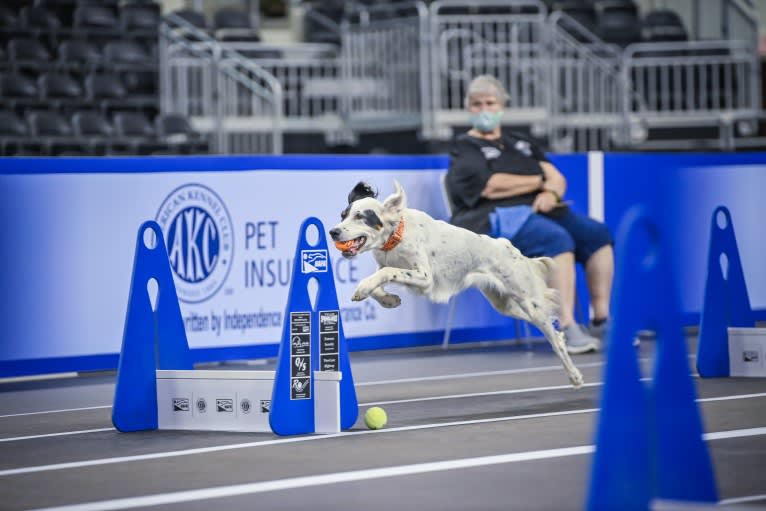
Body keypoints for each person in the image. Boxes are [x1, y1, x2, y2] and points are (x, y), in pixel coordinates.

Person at [445, 75, 613, 354]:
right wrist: (538, 182)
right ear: (468, 108)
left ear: (503, 106)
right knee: (556, 240)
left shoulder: (521, 143)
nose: (484, 109)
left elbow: (556, 178)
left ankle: (602, 320)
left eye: (490, 103)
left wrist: (551, 194)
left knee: (597, 235)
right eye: (477, 104)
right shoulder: (464, 147)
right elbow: (491, 185)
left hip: (540, 209)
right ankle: (566, 327)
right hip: (492, 218)